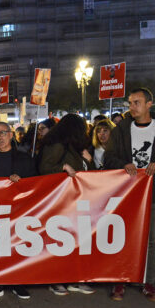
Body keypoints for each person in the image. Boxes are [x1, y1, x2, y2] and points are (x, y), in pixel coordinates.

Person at [104, 88, 155, 302]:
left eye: (136, 102)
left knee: (154, 240)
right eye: (130, 102)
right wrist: (123, 164)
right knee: (125, 238)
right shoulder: (121, 129)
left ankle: (148, 282)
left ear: (149, 104)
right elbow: (108, 158)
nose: (132, 107)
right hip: (128, 193)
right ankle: (120, 281)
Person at [0, 121, 36, 301]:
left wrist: (22, 182)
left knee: (17, 246)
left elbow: (36, 183)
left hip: (19, 210)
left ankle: (18, 283)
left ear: (11, 135)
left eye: (3, 133)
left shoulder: (25, 159)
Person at [39, 114, 96, 296]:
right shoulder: (58, 145)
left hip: (77, 200)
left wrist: (89, 161)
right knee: (60, 241)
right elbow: (44, 169)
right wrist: (63, 168)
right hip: (60, 200)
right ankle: (57, 279)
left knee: (75, 241)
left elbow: (87, 174)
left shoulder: (77, 148)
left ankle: (74, 278)